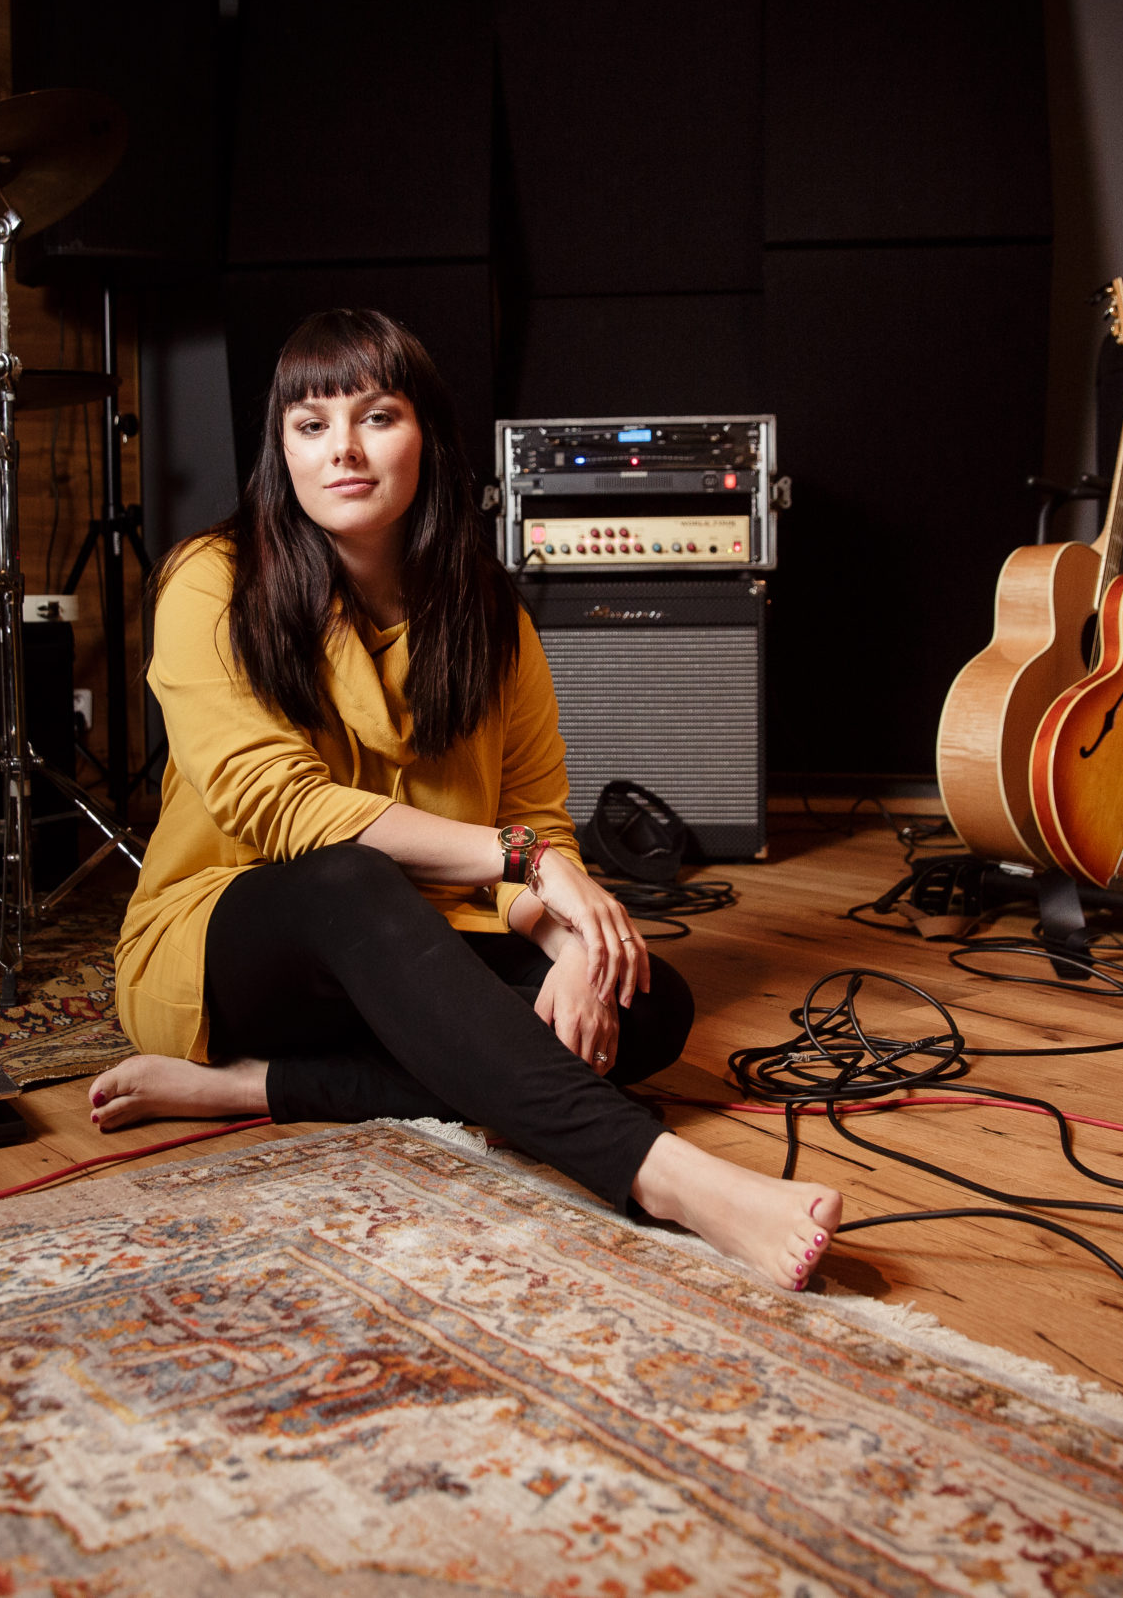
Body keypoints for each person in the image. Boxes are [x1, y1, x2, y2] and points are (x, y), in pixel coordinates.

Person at [92, 309, 840, 1290]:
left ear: (427, 437)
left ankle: (258, 1089)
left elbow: (534, 808)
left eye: (376, 417)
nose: (343, 449)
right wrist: (531, 867)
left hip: (415, 943)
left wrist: (570, 942)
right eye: (310, 425)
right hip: (231, 945)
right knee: (351, 878)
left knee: (646, 1000)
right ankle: (666, 1177)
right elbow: (282, 809)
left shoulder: (488, 613)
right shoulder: (211, 582)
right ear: (282, 451)